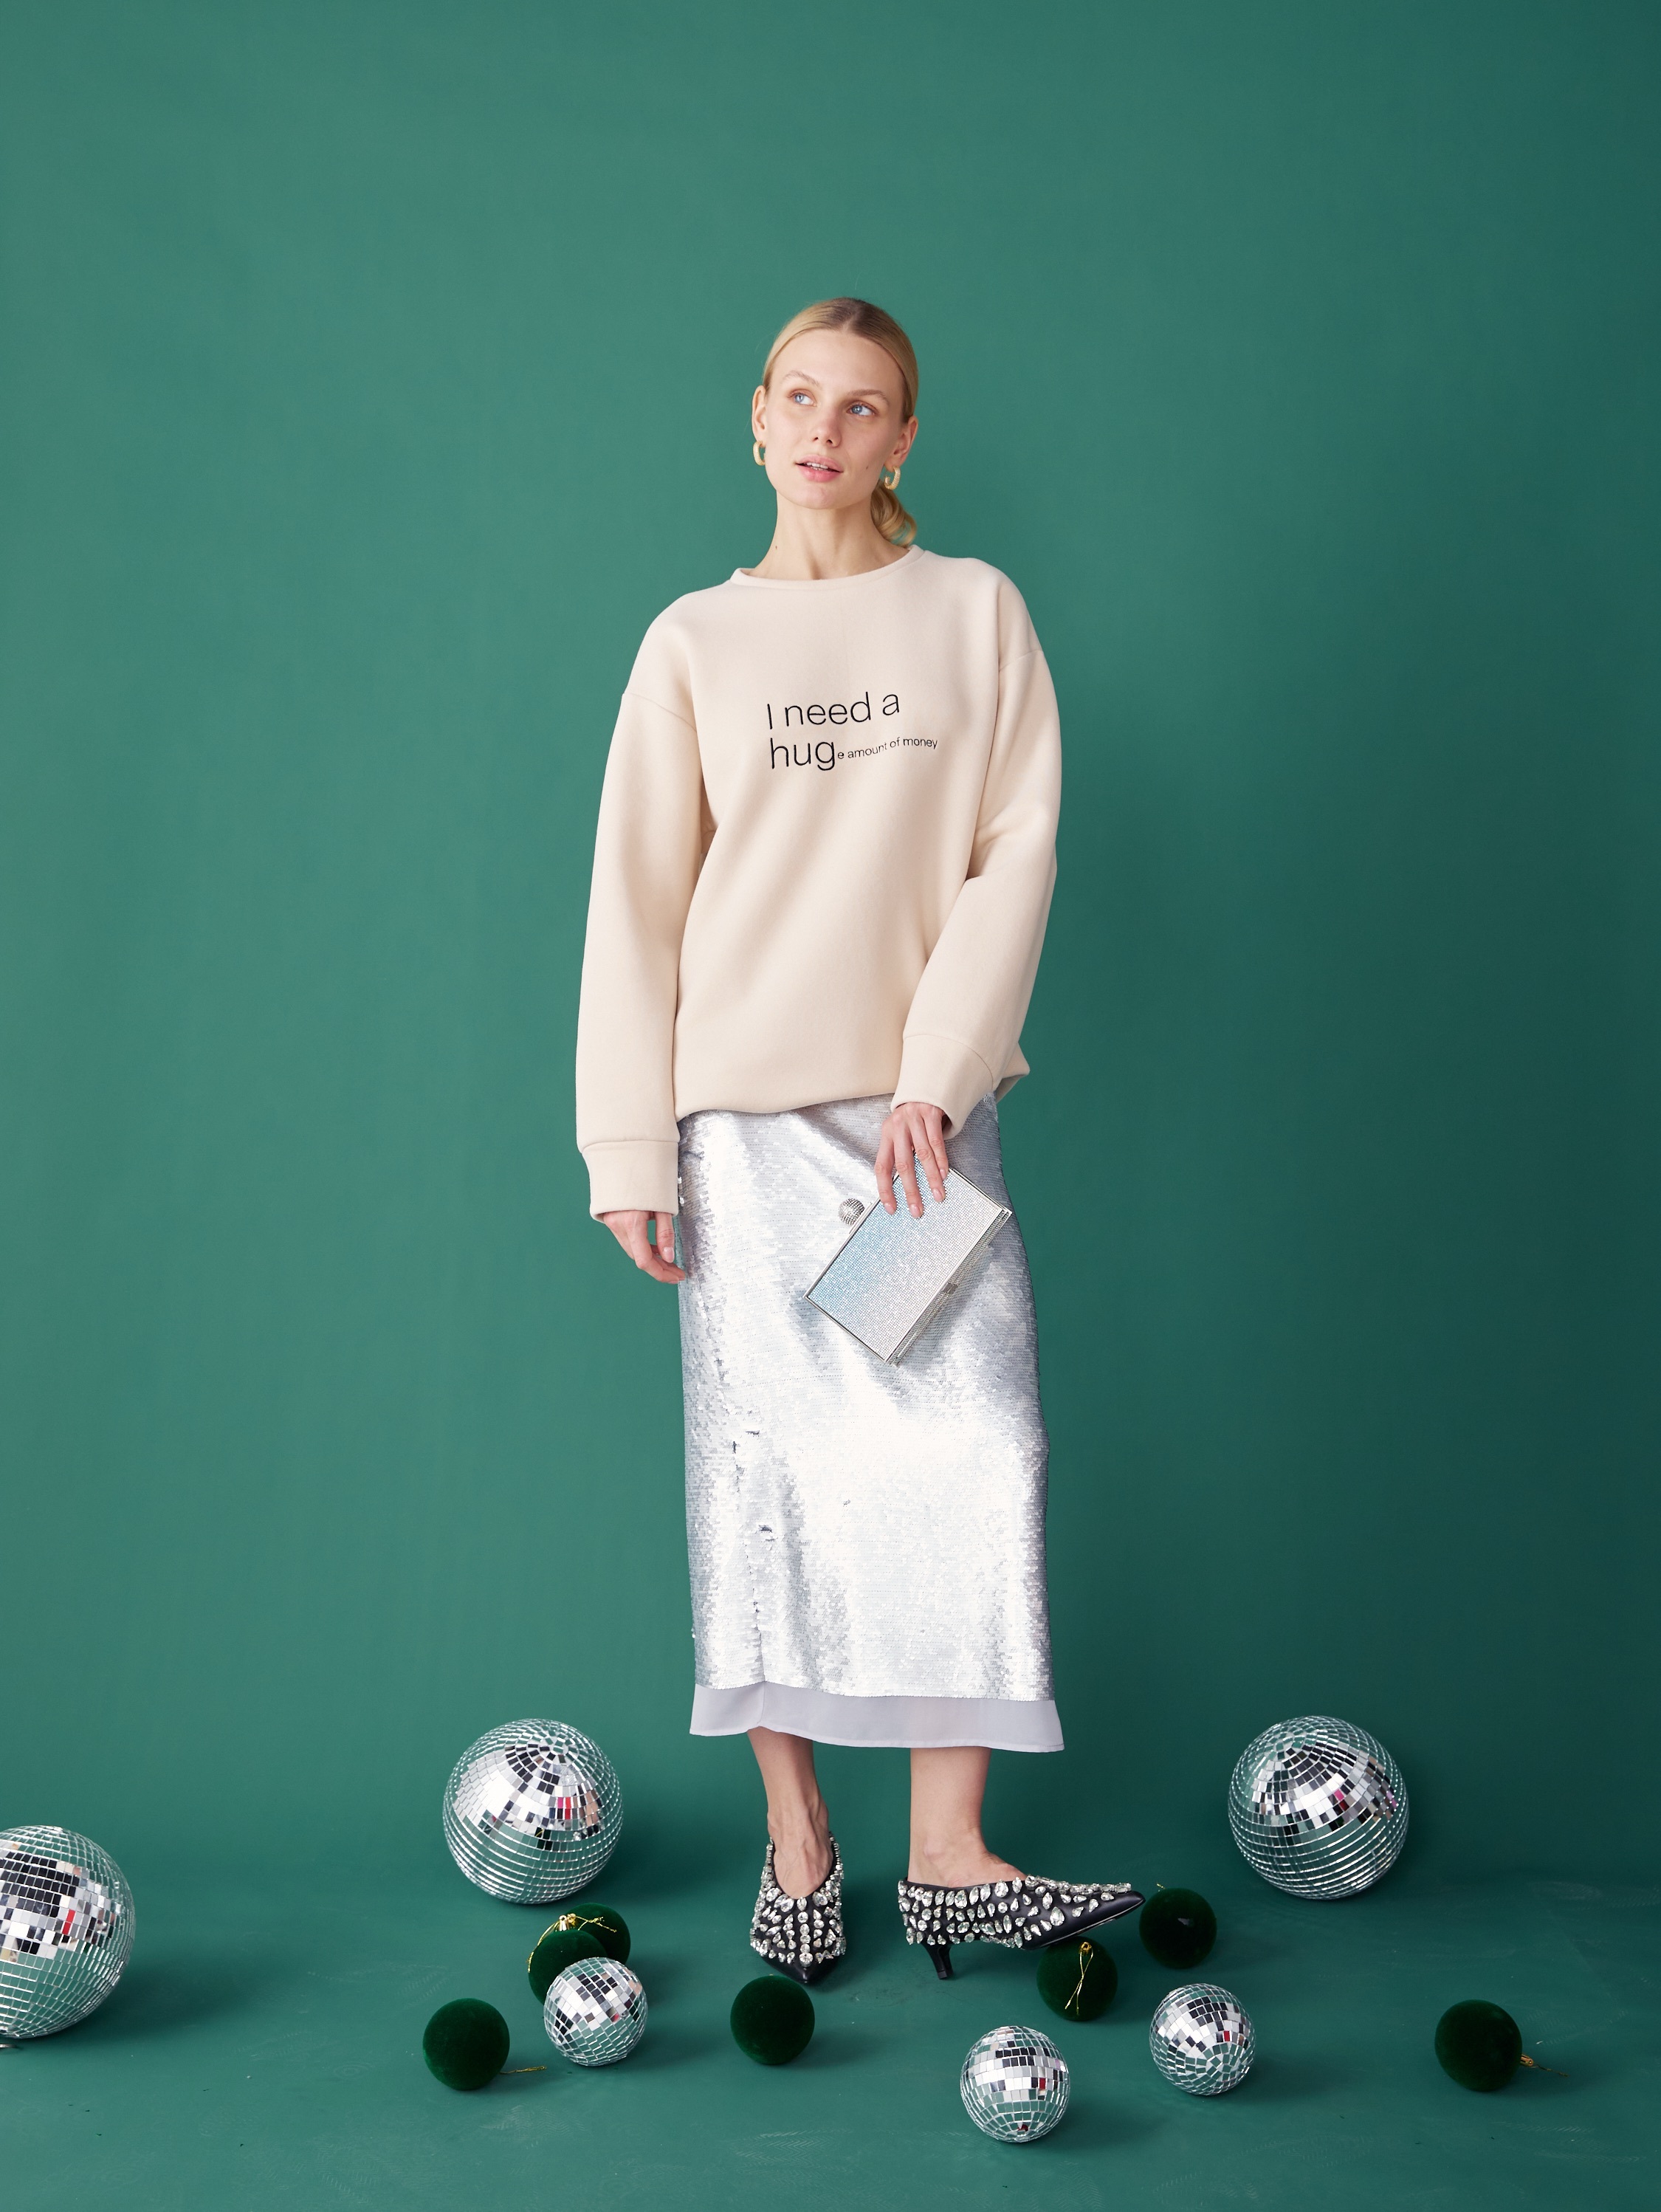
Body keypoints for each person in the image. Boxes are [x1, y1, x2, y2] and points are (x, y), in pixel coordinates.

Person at [575, 297, 1140, 1983]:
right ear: (756, 417)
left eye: (863, 405)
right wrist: (628, 1150)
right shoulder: (692, 642)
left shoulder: (973, 615)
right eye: (800, 397)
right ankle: (800, 1842)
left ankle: (950, 1857)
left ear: (902, 439)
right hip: (743, 1135)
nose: (825, 429)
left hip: (916, 1132)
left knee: (975, 1448)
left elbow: (1015, 851)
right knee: (770, 1477)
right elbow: (636, 906)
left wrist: (935, 1077)